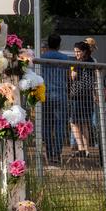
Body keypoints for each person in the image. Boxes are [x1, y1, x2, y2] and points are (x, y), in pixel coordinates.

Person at [41, 34, 70, 164]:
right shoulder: (65, 59)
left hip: (45, 94)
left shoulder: (41, 58)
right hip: (60, 94)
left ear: (48, 43)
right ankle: (57, 154)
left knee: (46, 124)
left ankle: (49, 152)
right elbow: (69, 77)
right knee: (60, 125)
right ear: (59, 44)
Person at [67, 40, 96, 158]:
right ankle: (86, 149)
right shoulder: (92, 61)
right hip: (88, 96)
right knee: (84, 123)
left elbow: (73, 77)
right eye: (75, 52)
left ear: (84, 51)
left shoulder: (78, 63)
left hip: (77, 96)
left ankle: (81, 148)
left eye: (78, 52)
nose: (76, 54)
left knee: (74, 122)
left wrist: (72, 71)